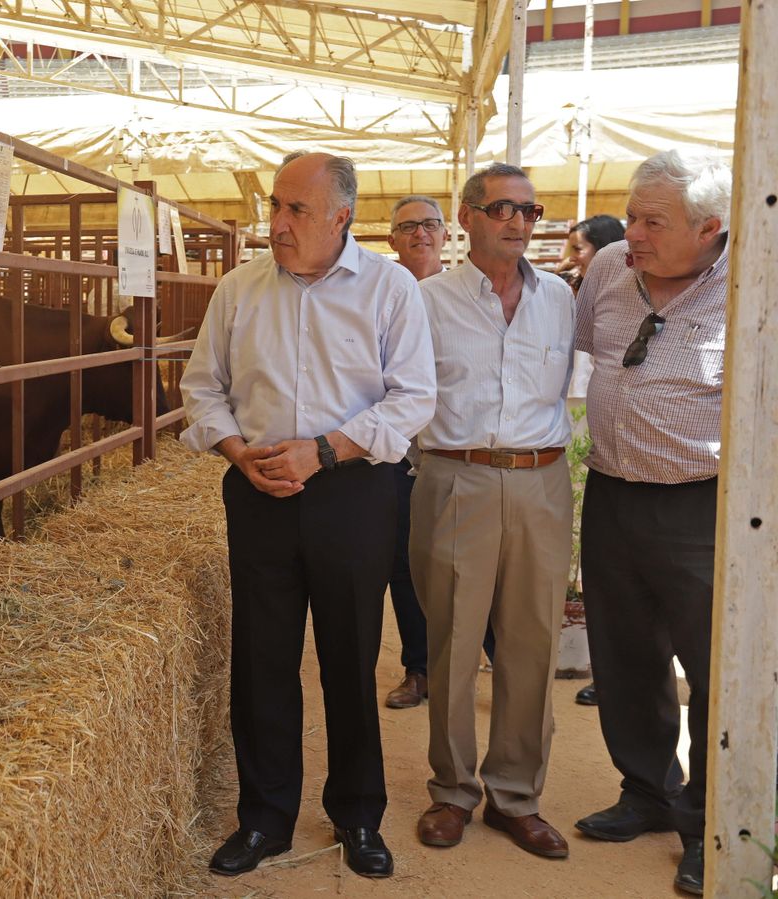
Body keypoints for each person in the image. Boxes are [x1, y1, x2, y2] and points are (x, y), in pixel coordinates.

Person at [181, 152, 435, 880]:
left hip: (353, 492)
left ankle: (357, 814)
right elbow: (203, 388)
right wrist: (237, 451)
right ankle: (264, 819)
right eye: (276, 206)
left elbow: (412, 397)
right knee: (261, 658)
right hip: (258, 489)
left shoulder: (388, 289)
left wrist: (324, 451)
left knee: (352, 656)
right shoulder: (239, 289)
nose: (278, 222)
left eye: (296, 209)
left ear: (341, 218)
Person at [572, 149, 730, 897]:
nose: (631, 231)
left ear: (710, 229)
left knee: (712, 667)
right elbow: (576, 349)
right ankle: (647, 790)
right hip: (611, 491)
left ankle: (711, 824)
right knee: (625, 654)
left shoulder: (751, 285)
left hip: (703, 503)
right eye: (630, 215)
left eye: (651, 221)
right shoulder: (607, 268)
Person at [409, 162, 576, 860]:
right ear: (467, 216)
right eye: (503, 208)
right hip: (456, 478)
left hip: (542, 480)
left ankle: (516, 795)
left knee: (533, 640)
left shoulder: (563, 299)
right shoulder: (426, 300)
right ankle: (452, 790)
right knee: (452, 639)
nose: (518, 221)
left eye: (529, 211)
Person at [381, 195, 497, 710]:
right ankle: (420, 668)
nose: (420, 234)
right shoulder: (379, 293)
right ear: (392, 241)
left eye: (430, 224)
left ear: (447, 234)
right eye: (408, 227)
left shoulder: (465, 294)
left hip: (461, 452)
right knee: (406, 564)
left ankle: (496, 660)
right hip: (400, 455)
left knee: (480, 563)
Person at [556, 213, 625, 708]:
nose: (571, 257)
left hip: (590, 429)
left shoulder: (613, 288)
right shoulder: (571, 291)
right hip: (577, 430)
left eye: (578, 248)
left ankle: (617, 673)